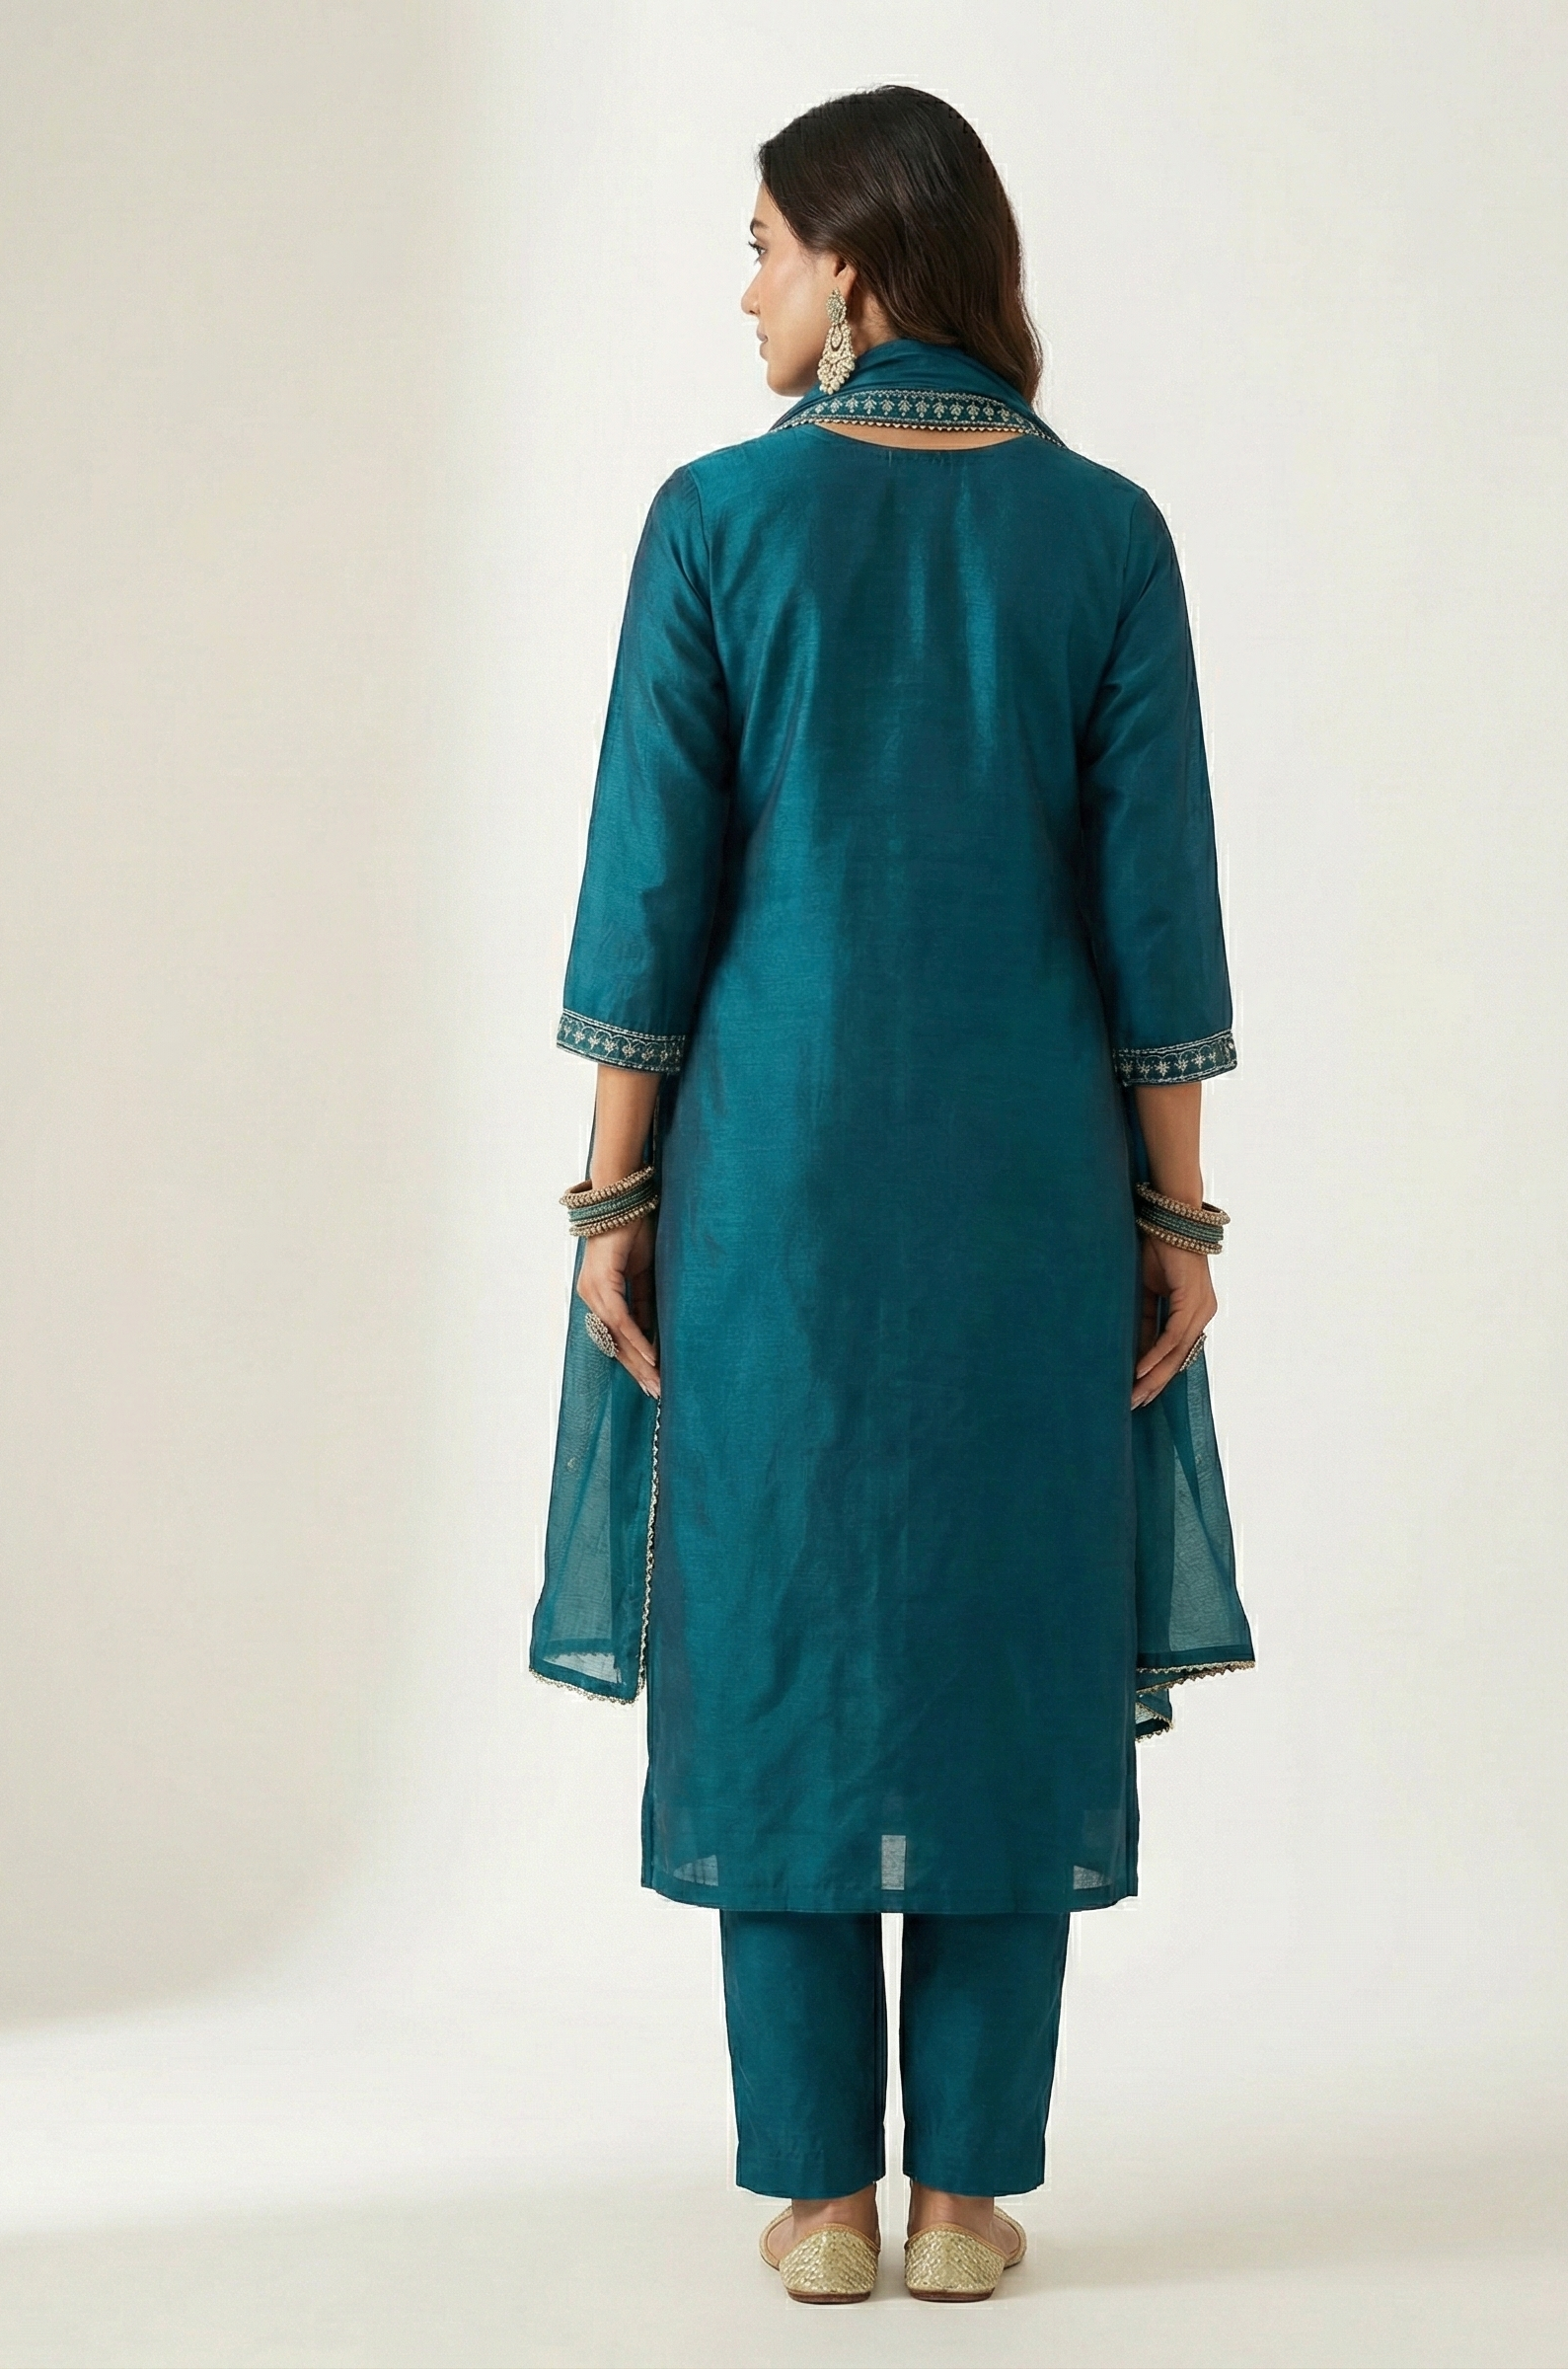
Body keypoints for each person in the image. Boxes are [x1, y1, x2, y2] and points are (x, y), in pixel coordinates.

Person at [532, 85, 1254, 2305]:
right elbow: (1157, 913)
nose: (741, 285)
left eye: (761, 242)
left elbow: (651, 889)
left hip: (771, 1184)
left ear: (855, 261)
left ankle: (818, 2199)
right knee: (1004, 1636)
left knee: (773, 1632)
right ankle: (965, 2202)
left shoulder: (718, 521)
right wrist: (1178, 1225)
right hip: (1029, 1188)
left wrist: (607, 1199)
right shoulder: (1105, 533)